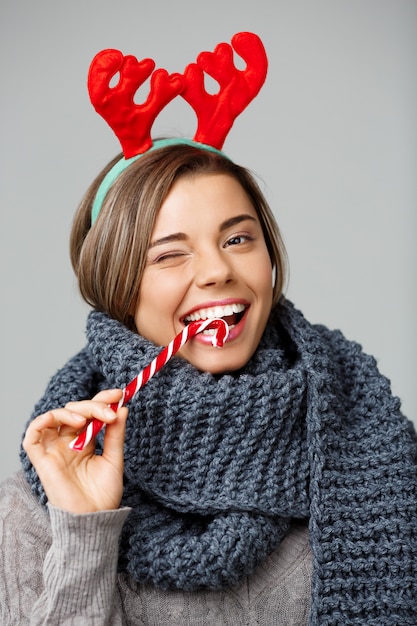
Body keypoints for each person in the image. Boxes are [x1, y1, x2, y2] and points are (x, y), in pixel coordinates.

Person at [1, 34, 417, 626]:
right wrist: (85, 532)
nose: (219, 269)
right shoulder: (33, 507)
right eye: (170, 254)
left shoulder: (381, 468)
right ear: (118, 287)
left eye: (238, 239)